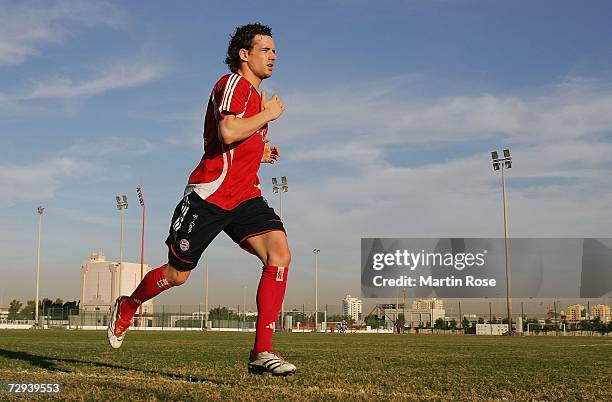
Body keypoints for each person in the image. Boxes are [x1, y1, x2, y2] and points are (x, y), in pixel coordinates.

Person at [107, 23, 296, 376]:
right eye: (265, 50)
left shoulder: (254, 97)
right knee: (178, 276)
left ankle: (262, 351)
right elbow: (227, 131)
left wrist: (261, 151)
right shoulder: (233, 85)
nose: (273, 56)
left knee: (279, 255)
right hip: (209, 195)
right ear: (244, 54)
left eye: (274, 51)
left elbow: (239, 140)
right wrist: (268, 116)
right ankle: (129, 304)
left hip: (244, 196)